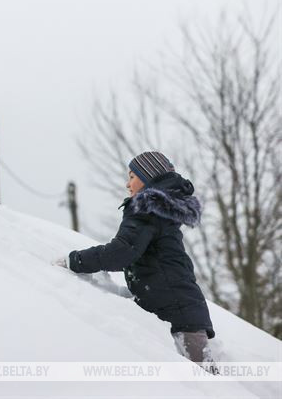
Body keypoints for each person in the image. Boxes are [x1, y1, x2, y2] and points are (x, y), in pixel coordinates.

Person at [56, 151, 216, 368]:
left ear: (148, 177)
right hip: (182, 311)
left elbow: (121, 252)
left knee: (207, 387)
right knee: (203, 383)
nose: (127, 183)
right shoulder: (159, 211)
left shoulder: (145, 208)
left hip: (177, 314)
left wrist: (75, 261)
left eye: (132, 176)